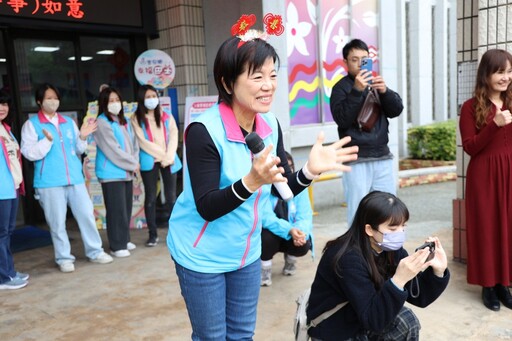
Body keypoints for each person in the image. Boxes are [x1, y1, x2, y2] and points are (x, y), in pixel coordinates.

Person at [166, 22, 359, 340]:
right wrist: (252, 182)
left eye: (272, 76)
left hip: (245, 249)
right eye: (257, 77)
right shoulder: (204, 131)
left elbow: (282, 188)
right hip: (201, 253)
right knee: (212, 337)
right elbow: (207, 207)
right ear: (228, 82)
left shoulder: (270, 123)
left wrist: (309, 171)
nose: (268, 85)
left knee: (241, 335)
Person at [307, 191, 450, 340]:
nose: (400, 233)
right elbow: (374, 320)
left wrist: (438, 271)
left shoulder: (391, 250)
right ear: (369, 229)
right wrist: (398, 281)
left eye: (403, 226)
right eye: (393, 229)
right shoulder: (346, 258)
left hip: (362, 316)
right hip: (335, 328)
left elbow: (420, 297)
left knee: (407, 321)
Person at [21, 83, 113, 273]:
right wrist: (46, 141)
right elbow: (29, 153)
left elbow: (79, 150)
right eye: (48, 98)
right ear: (39, 101)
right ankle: (64, 257)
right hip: (49, 181)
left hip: (75, 178)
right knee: (57, 222)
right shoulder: (32, 125)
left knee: (87, 215)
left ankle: (95, 251)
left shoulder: (67, 122)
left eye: (55, 98)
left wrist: (82, 136)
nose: (53, 101)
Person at [459, 48, 512, 312]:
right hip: (483, 175)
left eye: (509, 71)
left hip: (510, 173)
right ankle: (488, 286)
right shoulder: (471, 107)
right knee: (486, 228)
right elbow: (470, 147)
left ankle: (504, 282)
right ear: (486, 74)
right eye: (500, 72)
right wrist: (495, 124)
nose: (506, 77)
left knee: (508, 226)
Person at [330, 39, 404, 225]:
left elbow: (396, 110)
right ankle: (356, 252)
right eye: (355, 59)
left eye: (364, 59)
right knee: (358, 212)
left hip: (382, 157)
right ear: (345, 63)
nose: (360, 63)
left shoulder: (376, 84)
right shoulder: (340, 88)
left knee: (389, 208)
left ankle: (387, 251)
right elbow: (342, 119)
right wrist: (356, 91)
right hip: (356, 159)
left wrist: (385, 92)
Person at [94, 87, 139, 258]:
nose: (115, 104)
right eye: (111, 101)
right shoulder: (102, 122)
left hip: (126, 171)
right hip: (111, 172)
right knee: (116, 209)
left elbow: (133, 144)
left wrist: (133, 161)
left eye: (117, 100)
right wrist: (132, 163)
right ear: (104, 103)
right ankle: (116, 244)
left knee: (125, 207)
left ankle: (124, 239)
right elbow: (112, 149)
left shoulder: (122, 120)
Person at [131, 84, 179, 247]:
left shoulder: (166, 115)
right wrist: (163, 155)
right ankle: (153, 234)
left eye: (154, 96)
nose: (152, 100)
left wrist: (169, 155)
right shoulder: (136, 118)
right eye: (148, 97)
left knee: (171, 197)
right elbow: (142, 142)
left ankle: (175, 234)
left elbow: (174, 135)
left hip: (169, 159)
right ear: (141, 99)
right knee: (151, 198)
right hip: (150, 160)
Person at [260, 151, 313, 286]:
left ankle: (291, 260)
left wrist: (299, 232)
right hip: (273, 234)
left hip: (291, 234)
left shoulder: (300, 188)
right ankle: (264, 269)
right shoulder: (263, 188)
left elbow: (305, 216)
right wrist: (289, 230)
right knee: (264, 238)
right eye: (280, 169)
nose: (285, 172)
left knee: (304, 240)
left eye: (290, 167)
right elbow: (265, 217)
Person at [0, 90, 29, 290]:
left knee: (7, 232)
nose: (2, 108)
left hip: (11, 187)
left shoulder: (6, 129)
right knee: (1, 233)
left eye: (5, 104)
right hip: (1, 190)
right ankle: (4, 277)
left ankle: (9, 270)